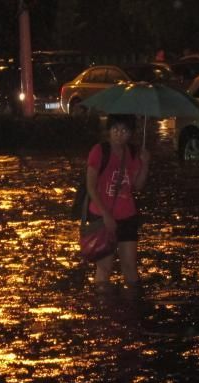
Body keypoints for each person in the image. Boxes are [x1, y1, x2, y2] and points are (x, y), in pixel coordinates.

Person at [86, 114, 150, 287]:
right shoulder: (100, 151)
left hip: (127, 215)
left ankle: (132, 307)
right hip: (101, 216)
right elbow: (90, 186)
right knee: (104, 269)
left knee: (130, 267)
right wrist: (106, 215)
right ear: (109, 131)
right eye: (115, 129)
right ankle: (103, 307)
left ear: (130, 133)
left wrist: (145, 165)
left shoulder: (133, 153)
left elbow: (137, 186)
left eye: (124, 130)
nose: (119, 134)